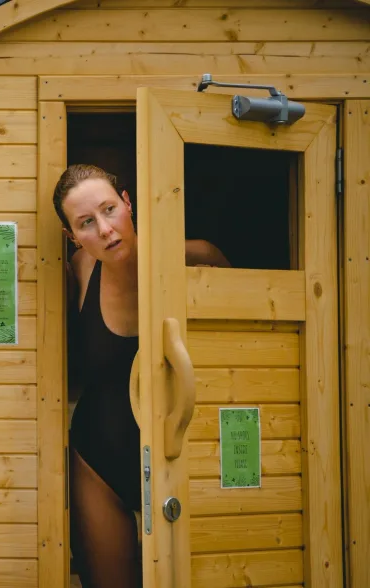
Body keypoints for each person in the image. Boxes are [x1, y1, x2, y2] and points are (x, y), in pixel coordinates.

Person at [53, 164, 229, 588]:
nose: (106, 229)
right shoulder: (80, 270)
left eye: (110, 209)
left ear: (128, 203)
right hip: (100, 461)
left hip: (186, 452)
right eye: (87, 223)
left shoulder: (198, 256)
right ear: (74, 237)